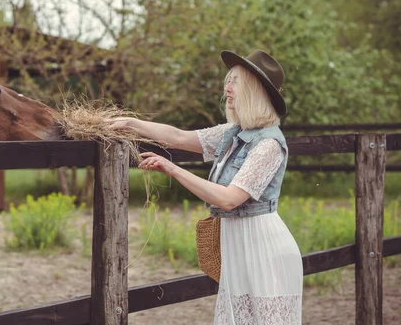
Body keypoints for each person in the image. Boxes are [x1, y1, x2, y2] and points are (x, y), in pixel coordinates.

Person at [107, 50, 303, 324]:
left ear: (253, 91)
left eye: (235, 82)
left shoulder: (268, 144)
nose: (227, 88)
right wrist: (130, 122)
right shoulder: (233, 133)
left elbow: (228, 199)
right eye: (229, 80)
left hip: (263, 250)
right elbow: (178, 137)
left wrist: (172, 169)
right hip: (238, 246)